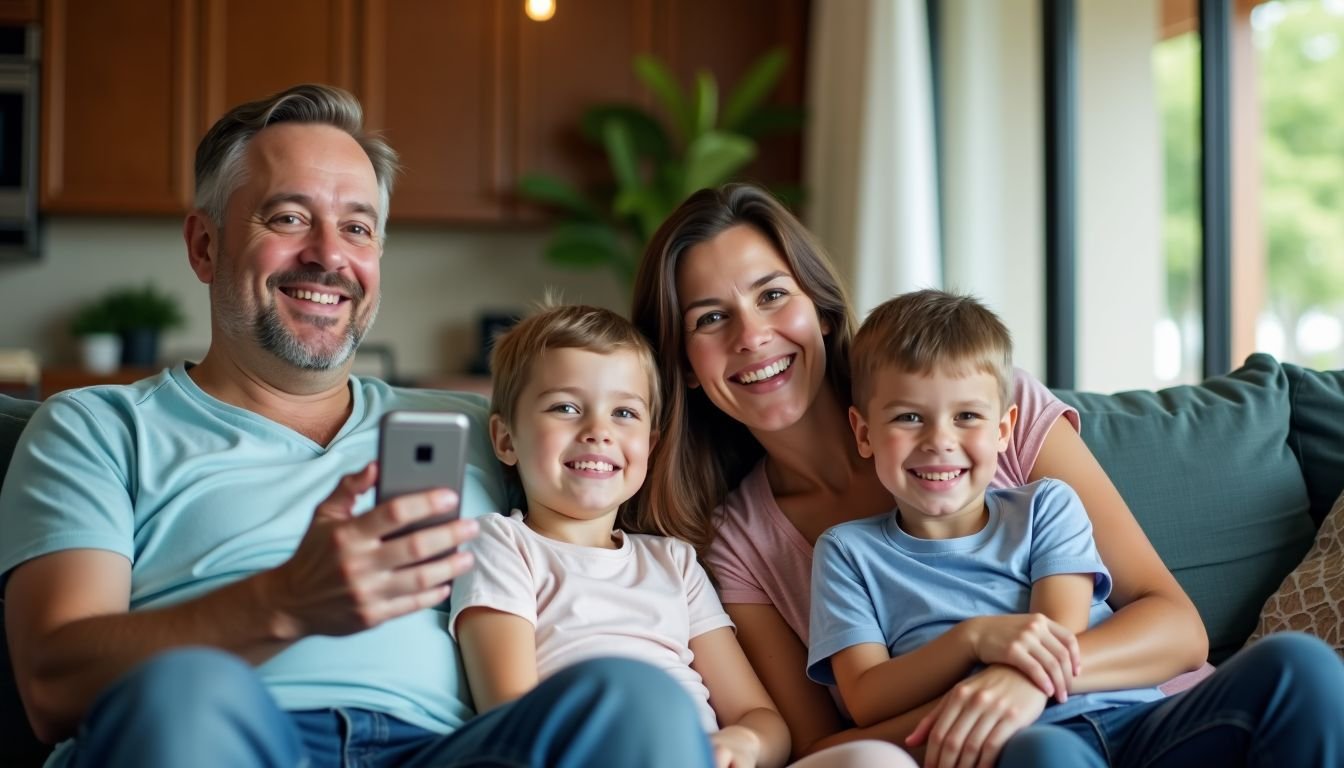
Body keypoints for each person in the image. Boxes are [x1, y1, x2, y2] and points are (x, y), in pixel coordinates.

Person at [0, 84, 713, 768]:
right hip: (222, 737)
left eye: (357, 227)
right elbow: (52, 687)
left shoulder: (482, 427)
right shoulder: (98, 428)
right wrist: (284, 601)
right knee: (188, 691)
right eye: (287, 217)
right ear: (205, 246)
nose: (329, 255)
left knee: (635, 702)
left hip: (444, 752)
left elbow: (652, 450)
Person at [624, 182, 1216, 765]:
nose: (751, 335)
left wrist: (1023, 684)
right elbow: (819, 752)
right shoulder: (739, 546)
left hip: (1168, 719)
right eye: (709, 319)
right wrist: (976, 698)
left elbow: (1179, 629)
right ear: (685, 367)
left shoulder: (990, 409)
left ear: (822, 311)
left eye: (773, 295)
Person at [807, 289, 1344, 767]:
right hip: (1029, 742)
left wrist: (1016, 674)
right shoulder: (848, 553)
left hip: (1137, 718)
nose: (939, 440)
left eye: (967, 417)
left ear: (1004, 430)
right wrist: (974, 640)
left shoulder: (1046, 505)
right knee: (1043, 752)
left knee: (1299, 664)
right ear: (864, 432)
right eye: (908, 417)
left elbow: (1058, 634)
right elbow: (868, 697)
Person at [451, 302, 794, 768]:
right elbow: (515, 721)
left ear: (650, 446)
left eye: (624, 413)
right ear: (506, 439)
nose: (598, 431)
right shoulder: (504, 545)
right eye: (565, 407)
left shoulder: (673, 562)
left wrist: (745, 744)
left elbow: (762, 719)